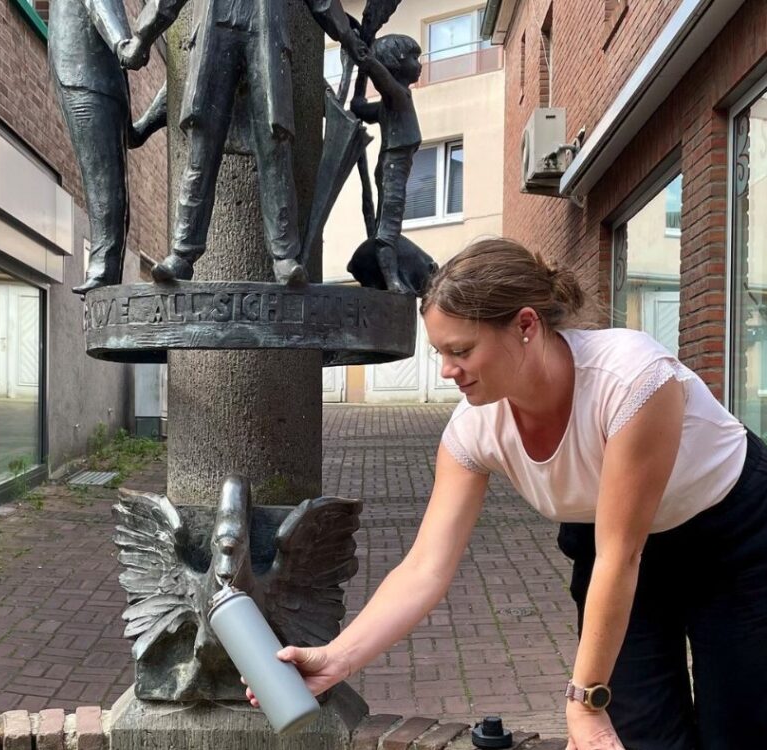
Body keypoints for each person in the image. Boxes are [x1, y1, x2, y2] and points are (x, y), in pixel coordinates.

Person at [246, 238, 767, 749]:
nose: (448, 370)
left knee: (738, 727)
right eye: (441, 353)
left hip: (733, 538)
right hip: (610, 547)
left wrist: (583, 702)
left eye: (462, 350)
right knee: (637, 736)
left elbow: (621, 554)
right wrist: (336, 658)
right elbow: (426, 567)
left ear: (524, 325)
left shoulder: (632, 380)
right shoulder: (474, 429)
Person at [118, 0, 368, 286]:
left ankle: (285, 256)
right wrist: (142, 37)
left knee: (276, 144)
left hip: (264, 31)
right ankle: (182, 255)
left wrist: (347, 36)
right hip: (214, 30)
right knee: (201, 148)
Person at [48, 0, 166, 294]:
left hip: (88, 74)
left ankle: (104, 272)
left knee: (106, 184)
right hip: (83, 72)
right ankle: (103, 274)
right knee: (107, 180)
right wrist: (120, 45)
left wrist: (120, 45)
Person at [349, 34, 422, 294]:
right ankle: (391, 279)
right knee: (389, 226)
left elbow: (359, 107)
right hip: (394, 167)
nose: (419, 64)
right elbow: (382, 82)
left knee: (387, 223)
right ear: (396, 63)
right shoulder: (396, 96)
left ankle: (387, 274)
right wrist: (366, 61)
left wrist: (361, 76)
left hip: (393, 166)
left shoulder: (391, 103)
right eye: (414, 58)